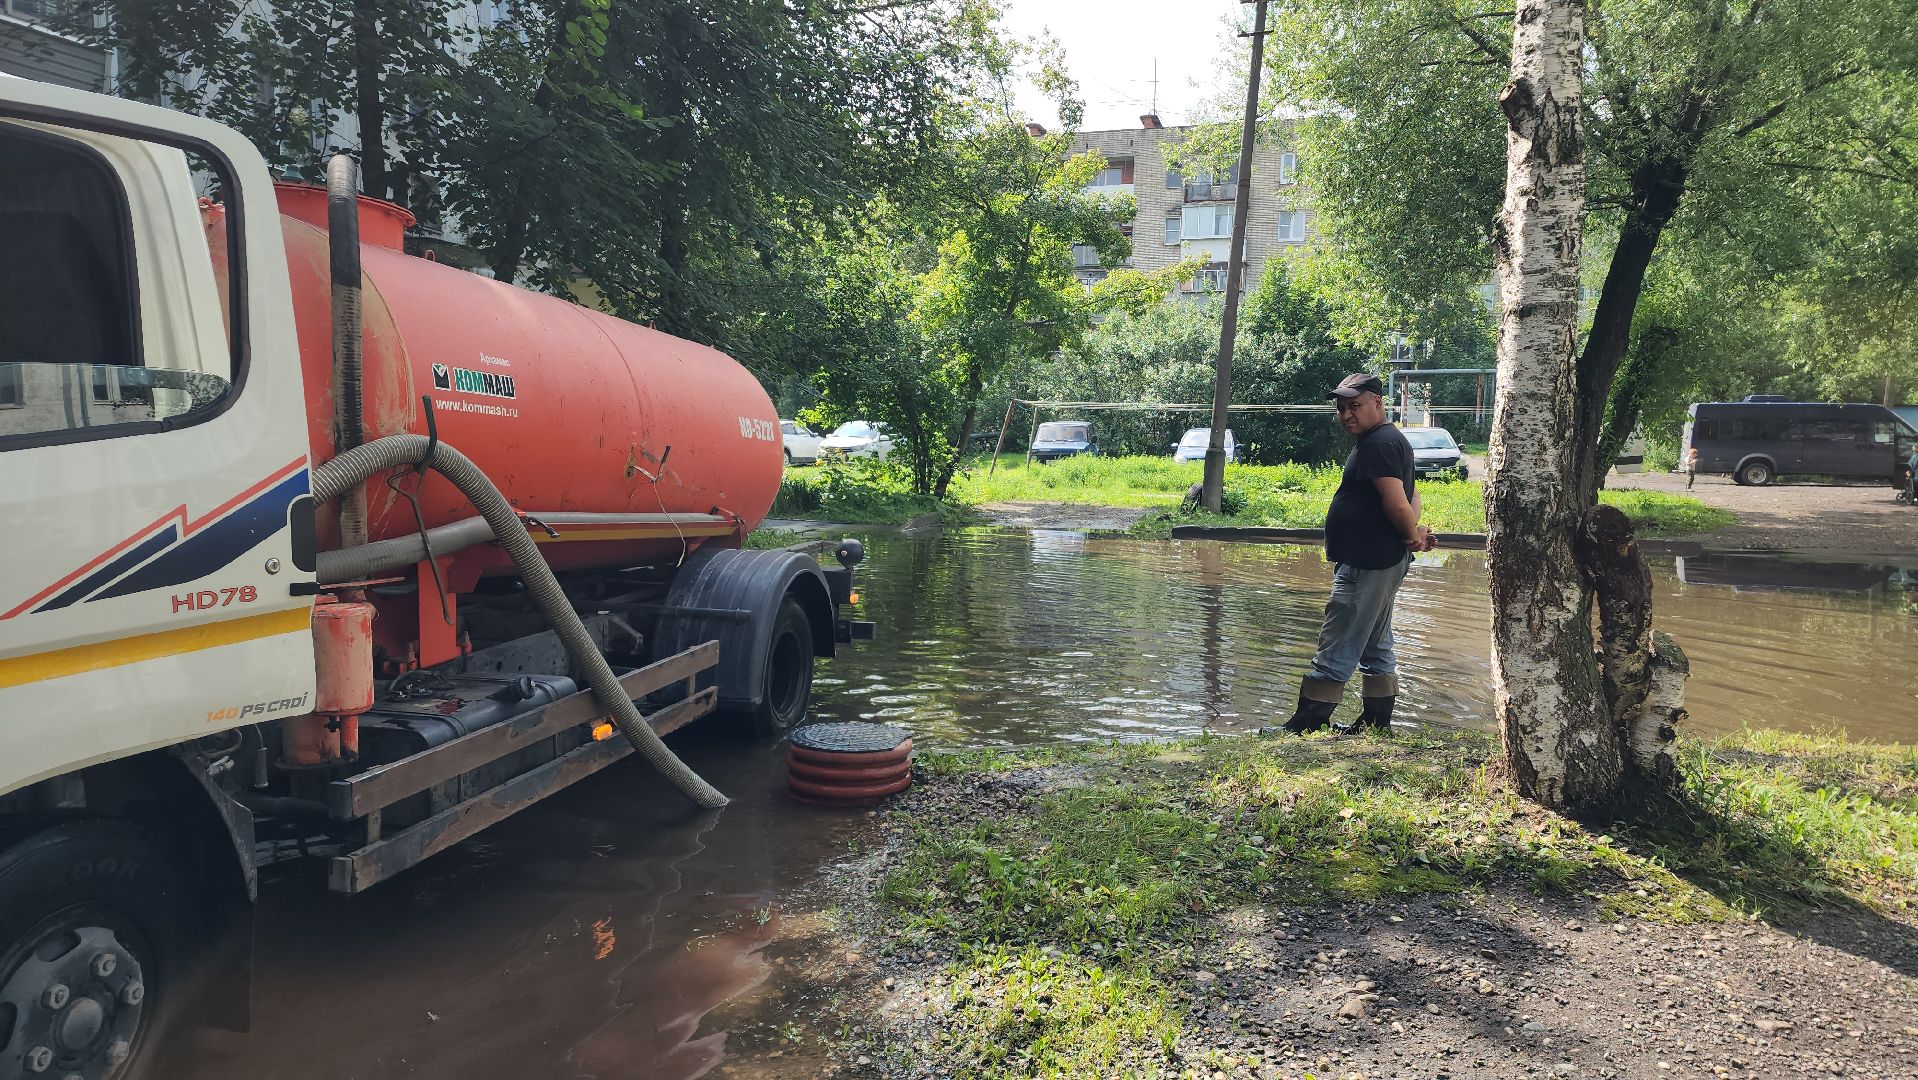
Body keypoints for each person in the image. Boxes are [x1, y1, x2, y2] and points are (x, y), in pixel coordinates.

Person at [1266, 373, 1435, 737]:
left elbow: (1396, 501)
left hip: (1367, 562)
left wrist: (1411, 536)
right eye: (1341, 408)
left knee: (1338, 639)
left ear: (1378, 402)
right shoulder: (1390, 440)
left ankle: (1307, 725)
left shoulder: (1378, 444)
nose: (1346, 415)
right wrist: (1413, 536)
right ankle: (1376, 723)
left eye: (1354, 406)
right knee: (1375, 644)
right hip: (1380, 559)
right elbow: (1412, 496)